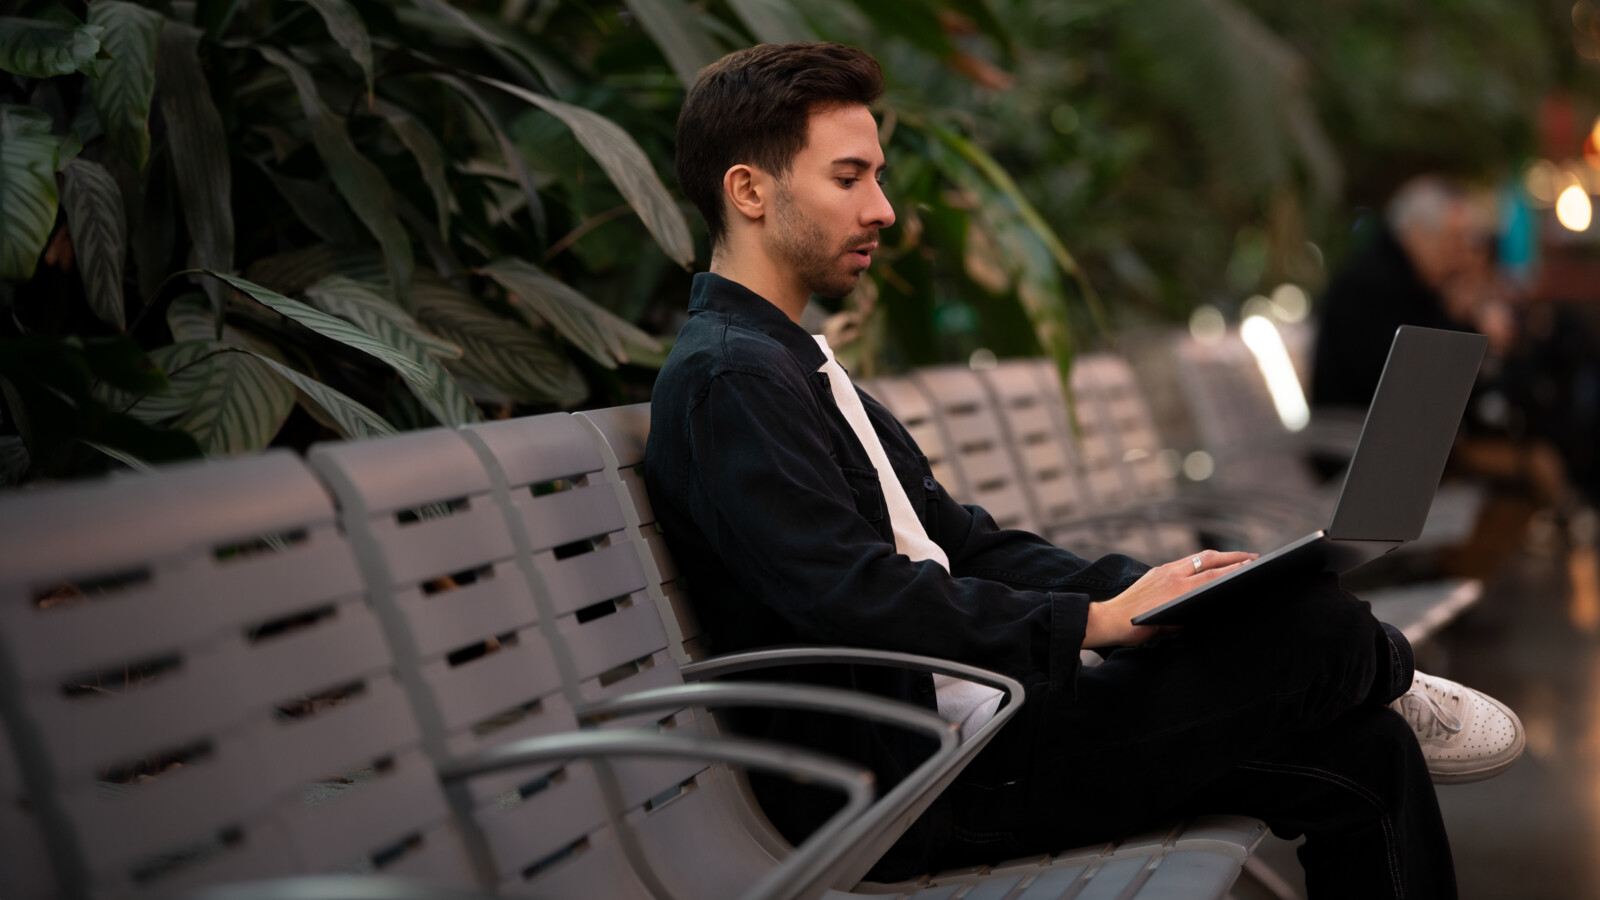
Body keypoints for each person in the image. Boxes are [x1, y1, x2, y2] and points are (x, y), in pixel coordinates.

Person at [645, 42, 1524, 898]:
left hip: (982, 728)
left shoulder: (787, 360)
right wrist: (1093, 623)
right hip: (918, 782)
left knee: (1363, 754)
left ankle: (1366, 680)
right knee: (1316, 630)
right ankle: (1380, 671)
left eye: (877, 176)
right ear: (749, 190)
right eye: (850, 178)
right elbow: (853, 597)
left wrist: (1157, 597)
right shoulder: (730, 379)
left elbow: (963, 545)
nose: (882, 208)